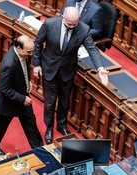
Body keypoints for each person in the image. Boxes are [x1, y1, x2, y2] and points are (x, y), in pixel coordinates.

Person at [33, 6, 108, 144]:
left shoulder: (84, 29)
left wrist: (100, 68)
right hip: (49, 68)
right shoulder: (49, 24)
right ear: (63, 17)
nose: (72, 26)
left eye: (75, 24)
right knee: (49, 103)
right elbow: (38, 43)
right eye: (69, 24)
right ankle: (49, 129)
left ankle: (61, 125)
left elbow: (92, 49)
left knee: (64, 101)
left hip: (67, 70)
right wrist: (36, 64)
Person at [0, 35, 43, 156]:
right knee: (1, 126)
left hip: (22, 95)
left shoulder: (22, 53)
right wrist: (22, 98)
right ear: (18, 48)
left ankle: (40, 150)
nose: (31, 54)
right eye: (29, 51)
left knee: (31, 124)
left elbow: (23, 67)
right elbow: (4, 88)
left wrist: (27, 80)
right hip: (7, 102)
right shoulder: (9, 64)